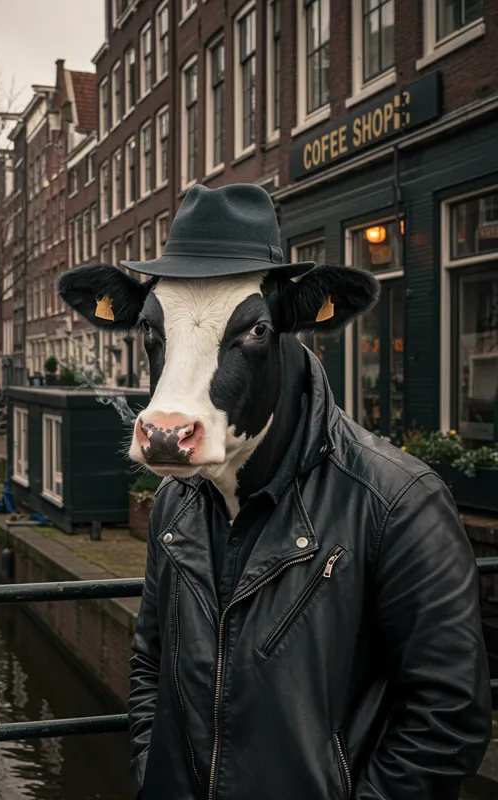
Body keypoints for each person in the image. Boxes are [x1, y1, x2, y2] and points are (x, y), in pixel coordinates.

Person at [55, 183, 493, 799]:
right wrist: (154, 767)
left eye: (249, 333)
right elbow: (150, 662)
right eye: (156, 335)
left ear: (283, 329)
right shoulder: (179, 500)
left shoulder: (399, 500)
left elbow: (447, 719)